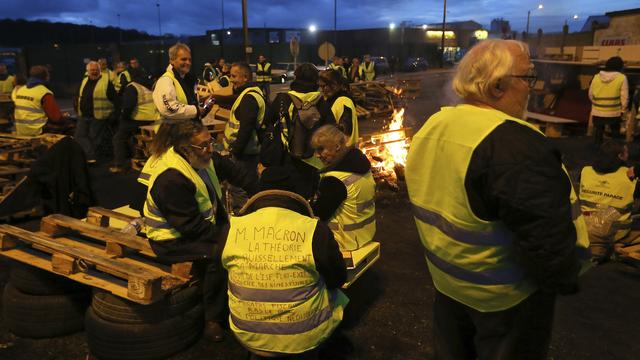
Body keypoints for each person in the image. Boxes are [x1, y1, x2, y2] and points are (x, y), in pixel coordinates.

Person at [405, 39, 591, 360]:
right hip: (506, 303)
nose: (531, 88)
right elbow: (546, 240)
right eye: (527, 78)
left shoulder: (434, 125)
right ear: (496, 86)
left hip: (449, 288)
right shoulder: (517, 146)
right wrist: (563, 279)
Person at [137, 119, 259, 342]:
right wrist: (233, 237)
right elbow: (191, 227)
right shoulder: (171, 178)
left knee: (233, 240)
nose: (210, 149)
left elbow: (238, 175)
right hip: (171, 240)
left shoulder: (204, 157)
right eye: (204, 145)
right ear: (185, 148)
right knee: (219, 255)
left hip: (199, 227)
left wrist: (265, 195)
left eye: (210, 142)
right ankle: (212, 318)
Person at [218, 165, 348, 357]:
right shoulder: (313, 229)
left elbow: (224, 272)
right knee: (336, 294)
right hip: (302, 337)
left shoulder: (232, 228)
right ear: (297, 194)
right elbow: (337, 277)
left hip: (247, 334)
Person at [261, 63, 323, 199]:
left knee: (288, 195)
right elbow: (329, 127)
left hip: (287, 157)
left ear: (296, 77)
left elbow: (267, 122)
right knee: (308, 196)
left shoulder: (283, 99)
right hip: (313, 159)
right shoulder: (320, 101)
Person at [311, 125, 375, 251]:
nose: (317, 155)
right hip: (365, 236)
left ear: (337, 147)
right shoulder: (361, 167)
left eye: (320, 149)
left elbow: (318, 214)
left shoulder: (335, 180)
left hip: (342, 244)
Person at [580, 140, 640, 262]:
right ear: (620, 156)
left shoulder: (585, 171)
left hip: (583, 226)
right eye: (626, 152)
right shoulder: (630, 176)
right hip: (613, 232)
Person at [223, 62, 266, 212]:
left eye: (234, 76)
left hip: (244, 154)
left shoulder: (248, 98)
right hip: (249, 153)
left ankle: (243, 218)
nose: (231, 79)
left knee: (238, 188)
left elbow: (246, 128)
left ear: (245, 77)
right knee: (251, 188)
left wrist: (236, 151)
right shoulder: (251, 94)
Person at [110, 69, 160, 173]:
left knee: (118, 138)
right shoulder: (147, 86)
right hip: (152, 119)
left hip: (139, 120)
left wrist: (122, 117)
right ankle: (137, 156)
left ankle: (119, 165)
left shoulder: (132, 87)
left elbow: (128, 107)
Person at [75, 61, 117, 162]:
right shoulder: (84, 81)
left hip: (98, 116)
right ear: (87, 71)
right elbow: (78, 96)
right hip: (83, 115)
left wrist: (114, 114)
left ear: (99, 71)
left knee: (95, 138)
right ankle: (91, 155)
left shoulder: (106, 82)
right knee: (79, 136)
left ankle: (93, 158)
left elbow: (115, 99)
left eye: (96, 70)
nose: (94, 72)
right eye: (92, 70)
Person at [13, 65, 72, 136]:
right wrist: (64, 117)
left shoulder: (21, 90)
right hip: (37, 129)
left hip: (21, 129)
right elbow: (56, 118)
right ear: (45, 77)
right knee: (71, 126)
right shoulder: (44, 92)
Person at [153, 43, 201, 122]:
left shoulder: (187, 79)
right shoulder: (166, 80)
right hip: (170, 131)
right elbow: (168, 109)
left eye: (190, 60)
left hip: (185, 129)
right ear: (172, 60)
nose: (188, 63)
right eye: (184, 59)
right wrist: (196, 110)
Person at [589, 56, 628, 146]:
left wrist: (597, 104)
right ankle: (615, 151)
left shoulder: (596, 77)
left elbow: (590, 94)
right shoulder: (622, 78)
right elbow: (624, 97)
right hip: (614, 112)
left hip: (597, 111)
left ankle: (597, 150)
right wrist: (623, 110)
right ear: (620, 67)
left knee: (599, 131)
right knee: (615, 132)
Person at [318, 69, 359, 147]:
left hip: (344, 152)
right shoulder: (332, 99)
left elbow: (345, 129)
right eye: (320, 86)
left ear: (334, 84)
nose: (321, 90)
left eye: (323, 86)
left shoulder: (343, 101)